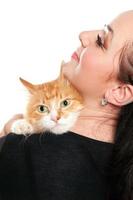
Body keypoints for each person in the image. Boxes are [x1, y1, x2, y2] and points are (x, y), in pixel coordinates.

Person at [0, 10, 133, 200]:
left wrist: (7, 141)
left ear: (120, 92)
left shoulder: (27, 152)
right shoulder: (122, 167)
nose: (84, 35)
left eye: (101, 41)